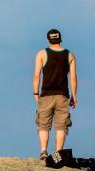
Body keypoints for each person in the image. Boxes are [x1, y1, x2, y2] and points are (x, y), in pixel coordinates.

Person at [32, 28, 78, 160]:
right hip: (63, 95)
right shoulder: (70, 55)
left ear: (48, 40)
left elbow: (36, 75)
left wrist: (36, 92)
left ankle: (43, 152)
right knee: (61, 126)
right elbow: (73, 78)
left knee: (43, 124)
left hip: (46, 94)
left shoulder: (41, 54)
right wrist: (74, 96)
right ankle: (58, 154)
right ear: (60, 39)